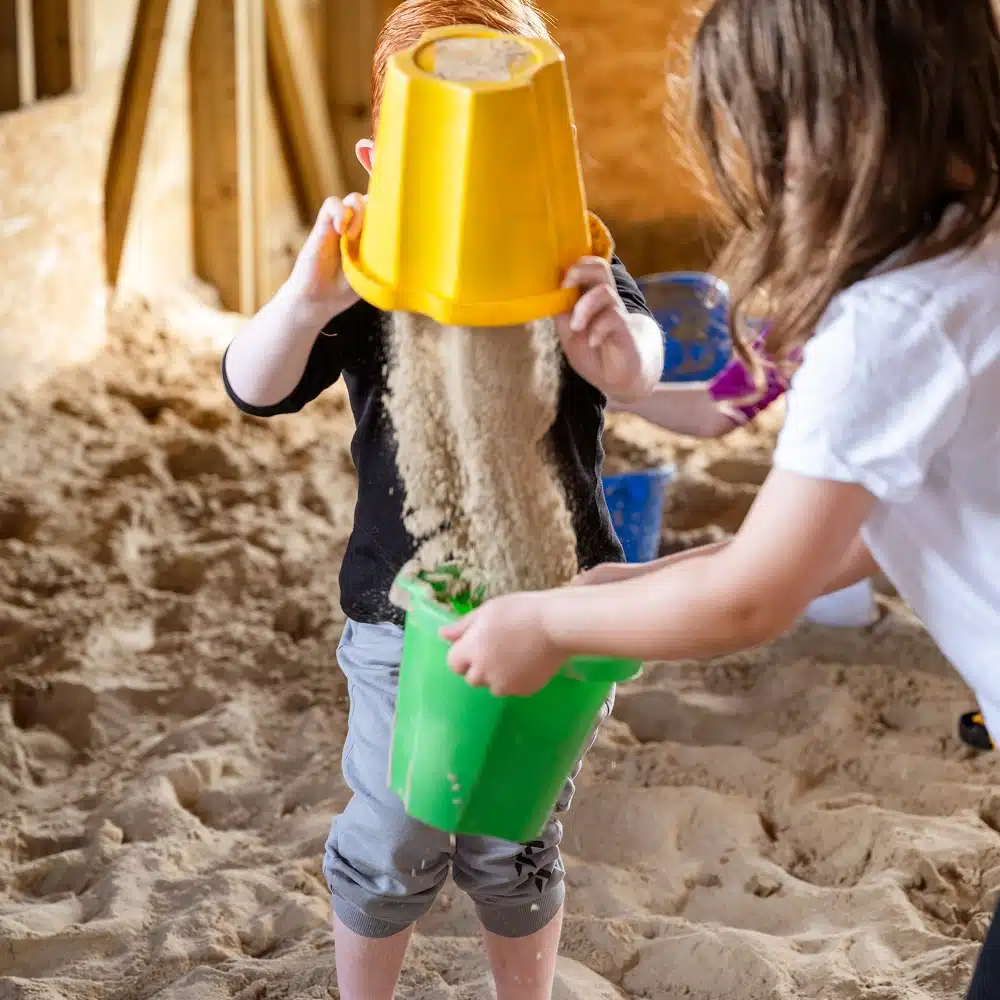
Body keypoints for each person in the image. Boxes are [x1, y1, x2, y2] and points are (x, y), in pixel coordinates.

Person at [221, 3, 663, 997]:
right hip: (401, 610)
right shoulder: (369, 272)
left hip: (557, 598)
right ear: (383, 162)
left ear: (547, 155)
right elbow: (251, 385)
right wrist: (304, 302)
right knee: (394, 832)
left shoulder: (572, 263)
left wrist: (620, 351)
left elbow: (648, 365)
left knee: (515, 834)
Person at [442, 0, 1000, 778]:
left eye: (761, 133)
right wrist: (635, 583)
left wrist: (548, 623)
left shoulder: (893, 323)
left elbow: (750, 601)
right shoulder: (972, 251)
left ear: (834, 123)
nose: (766, 173)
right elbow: (868, 530)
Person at [610, 332, 879, 628]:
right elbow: (715, 409)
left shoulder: (855, 326)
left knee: (836, 606)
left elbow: (844, 545)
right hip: (849, 530)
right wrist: (605, 393)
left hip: (864, 531)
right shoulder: (808, 318)